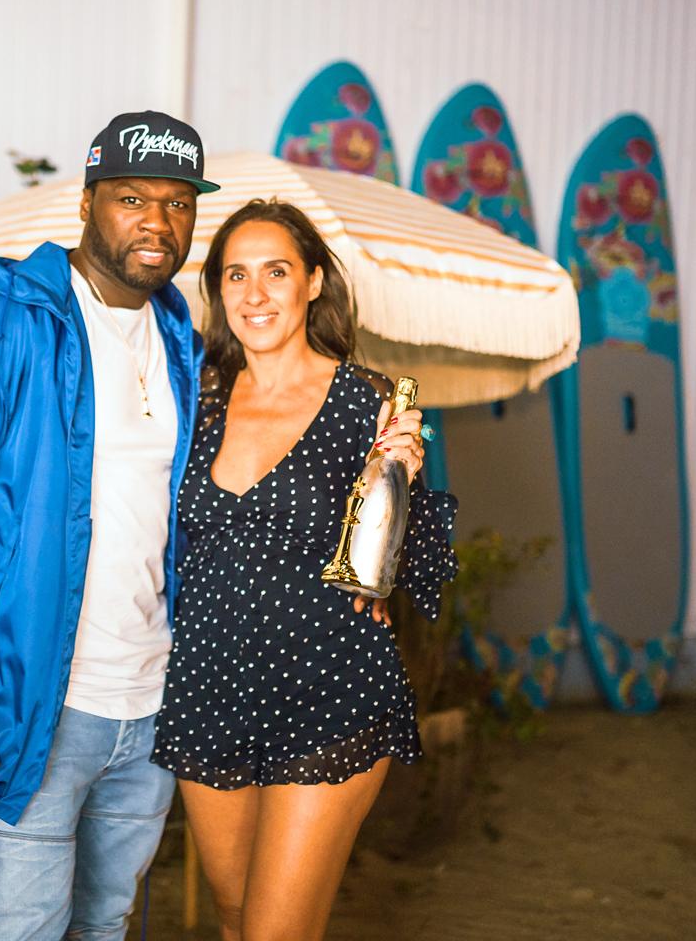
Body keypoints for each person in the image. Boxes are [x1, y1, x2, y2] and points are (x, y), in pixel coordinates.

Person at [0, 110, 220, 940]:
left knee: (103, 926)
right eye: (132, 198)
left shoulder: (181, 335)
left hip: (149, 707)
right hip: (31, 706)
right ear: (86, 203)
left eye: (178, 203)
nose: (157, 222)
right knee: (21, 929)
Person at [151, 199, 458, 941]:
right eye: (236, 276)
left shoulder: (368, 403)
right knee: (234, 917)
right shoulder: (201, 399)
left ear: (313, 282)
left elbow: (414, 570)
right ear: (219, 292)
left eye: (276, 272)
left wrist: (406, 476)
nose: (255, 294)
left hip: (327, 688)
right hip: (207, 687)